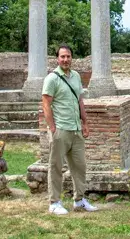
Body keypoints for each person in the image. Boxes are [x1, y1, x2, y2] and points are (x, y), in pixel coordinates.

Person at [41, 44, 97, 215]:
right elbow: (46, 103)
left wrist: (85, 122)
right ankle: (54, 202)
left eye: (68, 56)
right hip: (61, 129)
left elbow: (80, 101)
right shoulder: (52, 78)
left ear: (72, 58)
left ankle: (79, 200)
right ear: (57, 59)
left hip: (76, 129)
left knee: (80, 167)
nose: (65, 60)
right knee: (56, 166)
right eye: (62, 57)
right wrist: (52, 127)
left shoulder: (76, 76)